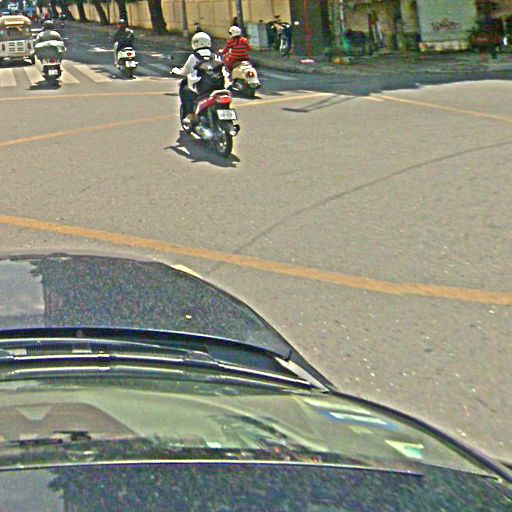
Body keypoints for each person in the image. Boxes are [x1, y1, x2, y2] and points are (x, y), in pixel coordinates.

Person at [171, 31, 230, 125]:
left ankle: (190, 115)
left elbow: (185, 72)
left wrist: (175, 70)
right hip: (219, 86)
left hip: (202, 87)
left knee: (185, 90)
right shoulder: (215, 56)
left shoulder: (194, 57)